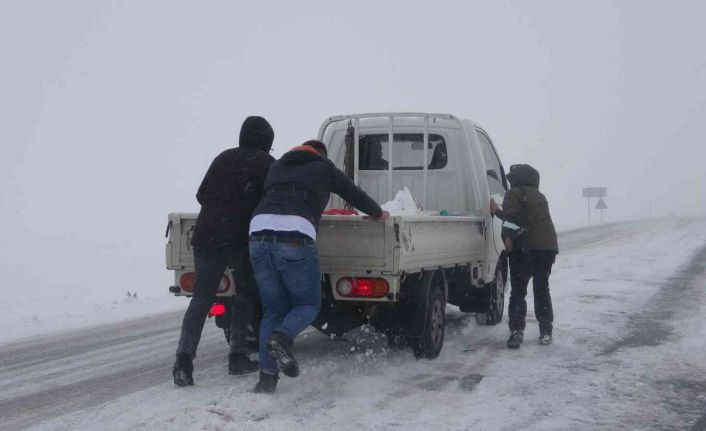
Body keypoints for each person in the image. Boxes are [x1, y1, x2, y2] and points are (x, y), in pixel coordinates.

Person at [248, 140, 389, 393]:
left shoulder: (277, 166)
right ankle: (281, 338)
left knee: (272, 310)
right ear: (321, 154)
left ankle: (266, 379)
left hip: (257, 235)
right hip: (294, 236)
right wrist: (378, 213)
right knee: (308, 304)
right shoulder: (323, 167)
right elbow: (353, 193)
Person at [173, 116, 276, 386]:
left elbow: (200, 195)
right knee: (245, 293)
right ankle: (237, 356)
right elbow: (273, 201)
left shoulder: (222, 158)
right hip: (239, 239)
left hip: (207, 235)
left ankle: (183, 361)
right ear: (267, 141)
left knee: (201, 299)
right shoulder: (266, 163)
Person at [489, 164, 558, 348]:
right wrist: (498, 212)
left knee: (519, 290)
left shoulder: (514, 193)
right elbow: (525, 219)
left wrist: (507, 237)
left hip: (525, 248)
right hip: (547, 247)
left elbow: (513, 221)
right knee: (542, 288)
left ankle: (517, 331)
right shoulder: (539, 196)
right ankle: (546, 331)